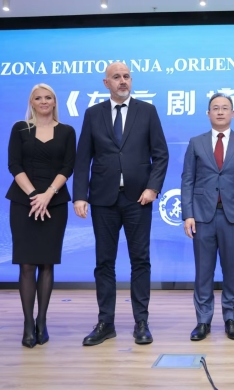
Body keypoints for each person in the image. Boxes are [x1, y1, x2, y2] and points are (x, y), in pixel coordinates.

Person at [73, 62, 169, 346]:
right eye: (117, 77)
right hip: (103, 199)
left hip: (138, 198)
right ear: (107, 83)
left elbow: (160, 154)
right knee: (104, 262)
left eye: (126, 76)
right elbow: (83, 158)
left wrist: (153, 188)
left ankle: (142, 322)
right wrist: (80, 195)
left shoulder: (147, 111)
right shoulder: (93, 114)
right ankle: (106, 323)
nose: (123, 81)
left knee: (140, 260)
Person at [181, 93, 234, 341]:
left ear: (232, 113)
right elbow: (187, 179)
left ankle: (231, 319)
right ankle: (203, 321)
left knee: (232, 270)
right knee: (203, 271)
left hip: (233, 216)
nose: (220, 112)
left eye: (225, 108)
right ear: (208, 114)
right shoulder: (196, 142)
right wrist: (188, 214)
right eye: (215, 108)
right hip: (202, 216)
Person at [6, 83, 76, 348]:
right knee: (26, 264)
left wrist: (48, 195)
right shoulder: (20, 128)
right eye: (38, 98)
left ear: (55, 101)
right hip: (23, 202)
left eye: (48, 97)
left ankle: (41, 323)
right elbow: (14, 164)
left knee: (47, 264)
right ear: (31, 102)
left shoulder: (67, 131)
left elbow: (68, 166)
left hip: (54, 203)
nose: (44, 101)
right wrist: (35, 195)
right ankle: (27, 324)